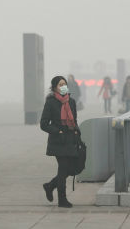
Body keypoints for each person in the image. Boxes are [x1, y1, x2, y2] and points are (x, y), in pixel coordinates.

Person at [40, 76, 81, 208]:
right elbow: (44, 124)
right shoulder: (51, 102)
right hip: (59, 141)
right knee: (63, 168)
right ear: (54, 88)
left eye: (65, 84)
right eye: (60, 84)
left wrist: (76, 132)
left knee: (71, 168)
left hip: (71, 140)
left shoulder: (72, 102)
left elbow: (74, 120)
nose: (63, 87)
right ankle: (62, 200)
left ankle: (50, 185)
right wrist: (58, 132)